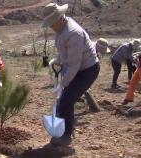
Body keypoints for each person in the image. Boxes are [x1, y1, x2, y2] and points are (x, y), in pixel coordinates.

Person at [43, 3, 100, 146]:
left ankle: (66, 135)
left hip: (88, 70)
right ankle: (62, 131)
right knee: (64, 101)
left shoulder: (74, 33)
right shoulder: (61, 29)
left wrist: (62, 84)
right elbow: (65, 53)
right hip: (76, 68)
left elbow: (74, 65)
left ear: (60, 18)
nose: (50, 27)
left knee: (66, 100)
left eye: (51, 23)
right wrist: (57, 59)